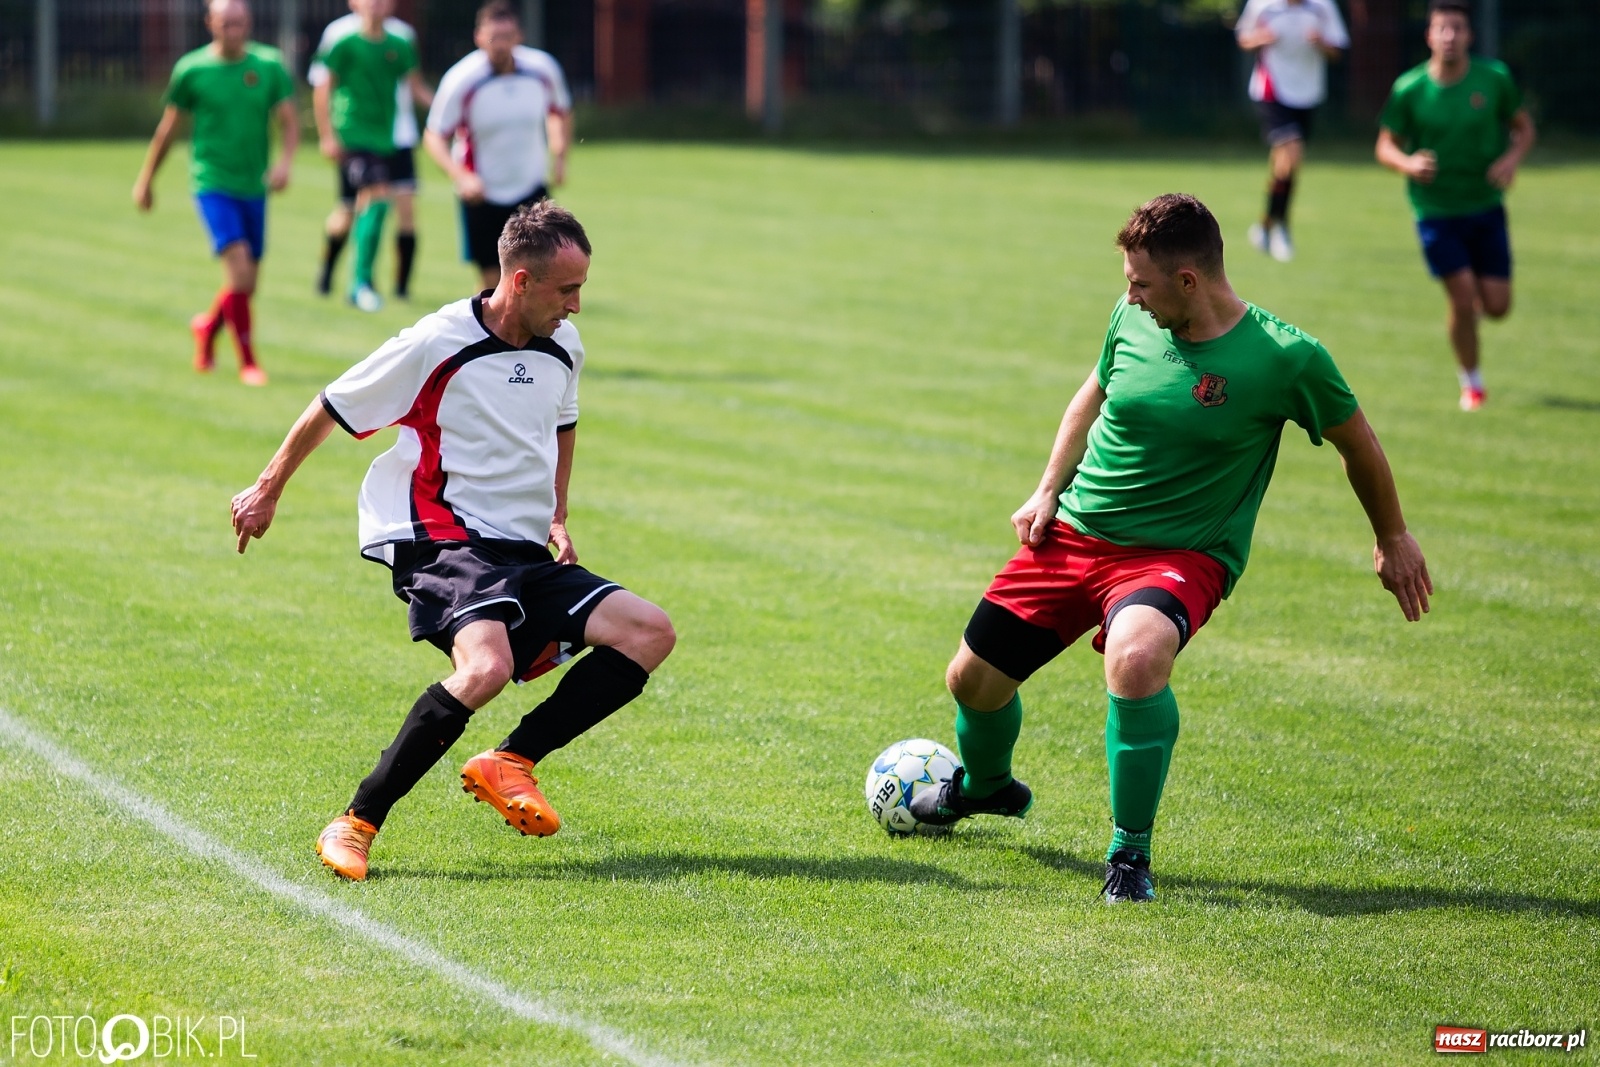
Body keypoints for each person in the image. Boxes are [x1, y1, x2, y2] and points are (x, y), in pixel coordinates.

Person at [909, 194, 1432, 904]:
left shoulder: (1287, 358)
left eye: (1141, 283)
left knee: (1136, 656)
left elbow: (1358, 444)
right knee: (972, 681)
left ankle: (1129, 854)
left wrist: (1392, 536)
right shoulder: (1131, 318)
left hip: (1180, 556)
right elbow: (1092, 394)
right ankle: (987, 787)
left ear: (1188, 281)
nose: (1130, 296)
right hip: (1078, 533)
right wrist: (1047, 489)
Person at [230, 203, 676, 881]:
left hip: (521, 549)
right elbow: (333, 404)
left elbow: (563, 423)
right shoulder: (436, 342)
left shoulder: (564, 345)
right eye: (566, 289)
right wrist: (267, 489)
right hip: (442, 536)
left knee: (648, 631)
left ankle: (511, 760)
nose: (577, 305)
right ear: (520, 281)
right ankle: (356, 821)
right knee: (486, 667)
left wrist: (557, 515)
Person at [1376, 0, 1534, 412]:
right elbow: (1385, 146)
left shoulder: (1494, 79)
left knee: (1497, 307)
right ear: (1429, 36)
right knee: (1462, 301)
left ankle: (1471, 305)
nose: (1450, 36)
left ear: (1470, 35)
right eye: (1442, 29)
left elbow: (1523, 129)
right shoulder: (1410, 88)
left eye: (1457, 28)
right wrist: (1409, 163)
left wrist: (1510, 160)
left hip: (1485, 206)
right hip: (1435, 212)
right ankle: (1472, 384)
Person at [132, 0, 297, 387]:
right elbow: (169, 129)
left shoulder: (269, 65)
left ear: (249, 23)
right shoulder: (192, 70)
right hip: (212, 182)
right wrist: (147, 179)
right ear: (210, 23)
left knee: (247, 284)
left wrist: (285, 163)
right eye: (225, 23)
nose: (232, 30)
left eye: (238, 22)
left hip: (253, 185)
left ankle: (207, 327)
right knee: (238, 272)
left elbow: (289, 122)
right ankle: (248, 363)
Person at [424, 1, 573, 291]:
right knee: (493, 284)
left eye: (507, 37)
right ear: (478, 37)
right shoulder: (462, 80)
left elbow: (560, 111)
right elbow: (434, 136)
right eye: (494, 38)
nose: (501, 45)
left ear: (519, 37)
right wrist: (461, 176)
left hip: (531, 189)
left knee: (540, 276)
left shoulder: (541, 70)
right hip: (483, 193)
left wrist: (560, 155)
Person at [308, 0, 434, 301]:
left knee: (393, 207)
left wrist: (449, 113)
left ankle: (397, 288)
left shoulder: (400, 41)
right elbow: (323, 86)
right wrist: (327, 136)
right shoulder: (341, 38)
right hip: (353, 137)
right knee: (368, 200)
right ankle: (358, 282)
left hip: (390, 139)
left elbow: (415, 86)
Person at [1234, 0, 1348, 263]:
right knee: (1292, 152)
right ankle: (1281, 227)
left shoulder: (1322, 7)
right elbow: (1244, 39)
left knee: (1285, 164)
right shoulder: (1262, 5)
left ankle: (1264, 225)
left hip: (1308, 93)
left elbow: (1337, 51)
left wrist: (1320, 43)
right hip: (1272, 90)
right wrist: (1261, 39)